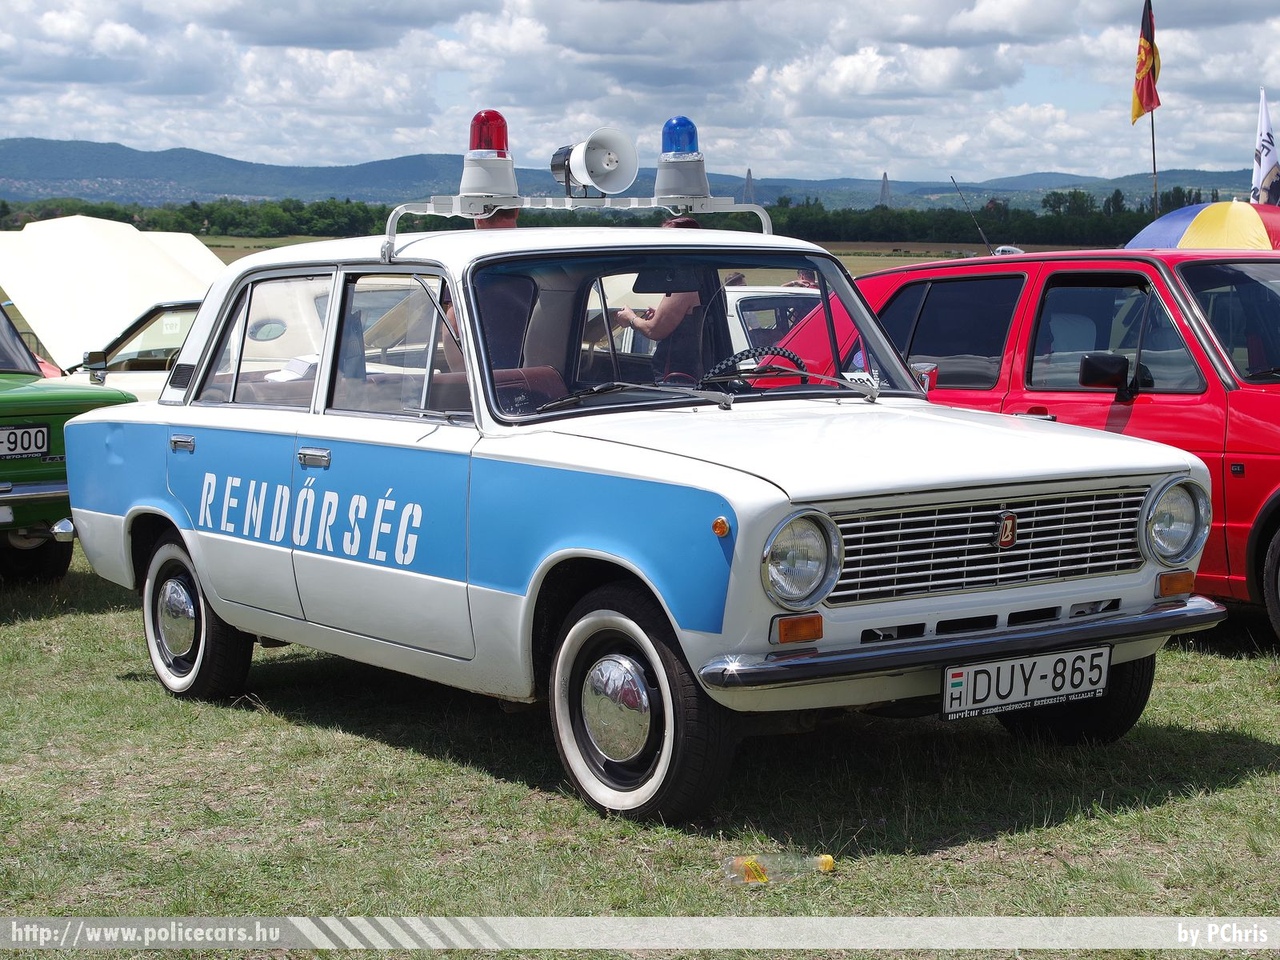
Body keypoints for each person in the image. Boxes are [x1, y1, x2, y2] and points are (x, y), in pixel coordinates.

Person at [614, 216, 705, 381]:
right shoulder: (706, 278)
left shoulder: (685, 284)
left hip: (678, 376)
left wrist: (630, 318)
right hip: (696, 370)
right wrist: (662, 315)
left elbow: (654, 330)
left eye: (667, 242)